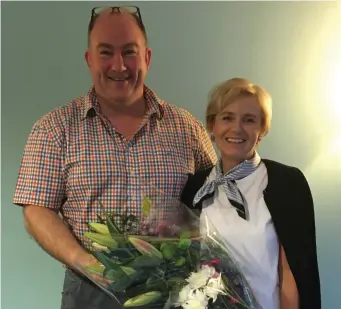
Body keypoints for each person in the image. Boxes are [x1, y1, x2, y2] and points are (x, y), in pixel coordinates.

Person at [12, 6, 217, 309]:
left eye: (129, 52)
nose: (118, 65)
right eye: (106, 52)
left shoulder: (187, 128)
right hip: (90, 291)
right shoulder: (53, 129)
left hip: (176, 291)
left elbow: (217, 199)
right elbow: (36, 211)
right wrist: (89, 264)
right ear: (89, 59)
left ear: (146, 58)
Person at [180, 78, 321, 309]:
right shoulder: (195, 187)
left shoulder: (287, 183)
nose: (236, 128)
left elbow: (294, 273)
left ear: (262, 129)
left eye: (249, 120)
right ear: (211, 125)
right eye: (227, 117)